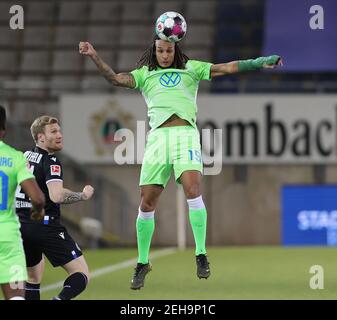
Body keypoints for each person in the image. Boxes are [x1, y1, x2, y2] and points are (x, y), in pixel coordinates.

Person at [79, 32, 282, 290]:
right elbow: (115, 78)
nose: (164, 55)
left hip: (185, 135)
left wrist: (259, 61)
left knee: (193, 189)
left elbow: (227, 67)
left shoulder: (192, 68)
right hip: (158, 139)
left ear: (176, 50)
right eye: (161, 51)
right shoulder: (145, 74)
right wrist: (94, 56)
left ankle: (200, 253)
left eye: (168, 51)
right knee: (147, 201)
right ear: (154, 50)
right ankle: (142, 263)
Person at [16, 115, 94, 300]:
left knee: (33, 278)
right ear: (41, 137)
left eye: (59, 130)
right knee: (81, 274)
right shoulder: (51, 162)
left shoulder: (25, 156)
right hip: (44, 226)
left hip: (21, 226)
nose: (60, 135)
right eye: (53, 131)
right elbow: (57, 195)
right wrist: (81, 196)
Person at [0, 105, 45, 300]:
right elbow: (37, 198)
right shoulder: (16, 157)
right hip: (7, 237)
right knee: (17, 297)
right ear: (4, 129)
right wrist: (37, 211)